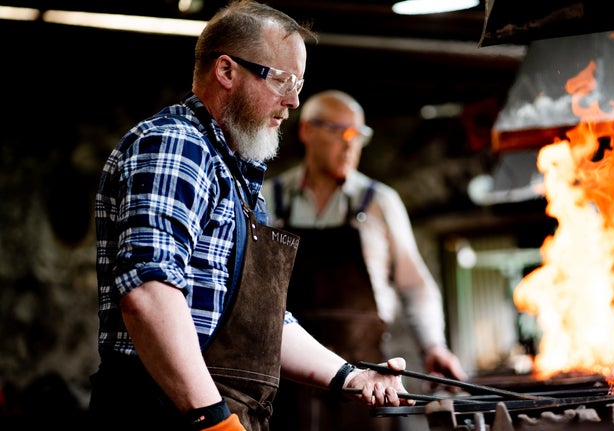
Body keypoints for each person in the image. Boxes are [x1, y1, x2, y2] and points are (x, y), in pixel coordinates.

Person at [88, 2, 414, 431]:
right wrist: (212, 417)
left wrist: (350, 377)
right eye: (282, 80)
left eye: (299, 83)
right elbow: (149, 293)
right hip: (164, 411)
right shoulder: (176, 147)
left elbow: (265, 322)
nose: (294, 101)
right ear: (226, 72)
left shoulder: (236, 175)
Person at [262, 90, 467, 431]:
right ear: (307, 131)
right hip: (287, 381)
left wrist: (434, 344)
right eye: (339, 133)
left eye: (358, 136)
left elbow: (415, 286)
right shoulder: (269, 199)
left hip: (367, 382)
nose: (350, 146)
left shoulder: (379, 203)